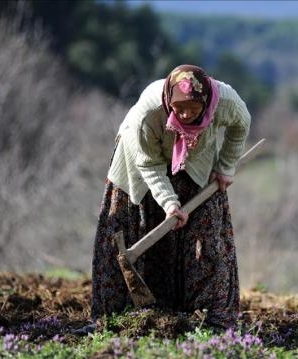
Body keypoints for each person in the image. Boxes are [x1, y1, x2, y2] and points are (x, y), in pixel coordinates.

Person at [90, 64, 251, 329]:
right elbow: (149, 165)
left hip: (195, 162)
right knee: (136, 224)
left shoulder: (225, 102)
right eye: (180, 109)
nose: (186, 115)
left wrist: (225, 167)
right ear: (169, 101)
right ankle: (120, 316)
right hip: (140, 162)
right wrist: (169, 203)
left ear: (207, 102)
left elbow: (241, 124)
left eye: (194, 109)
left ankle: (207, 316)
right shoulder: (148, 114)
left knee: (206, 237)